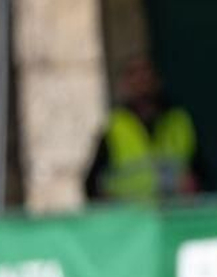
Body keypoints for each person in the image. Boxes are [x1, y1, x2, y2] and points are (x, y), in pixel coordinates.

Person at [85, 55, 208, 202]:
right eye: (134, 75)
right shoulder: (115, 127)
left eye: (146, 74)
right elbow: (92, 185)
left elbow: (203, 174)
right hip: (133, 219)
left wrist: (194, 184)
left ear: (157, 80)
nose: (141, 81)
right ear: (125, 84)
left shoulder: (179, 121)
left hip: (174, 215)